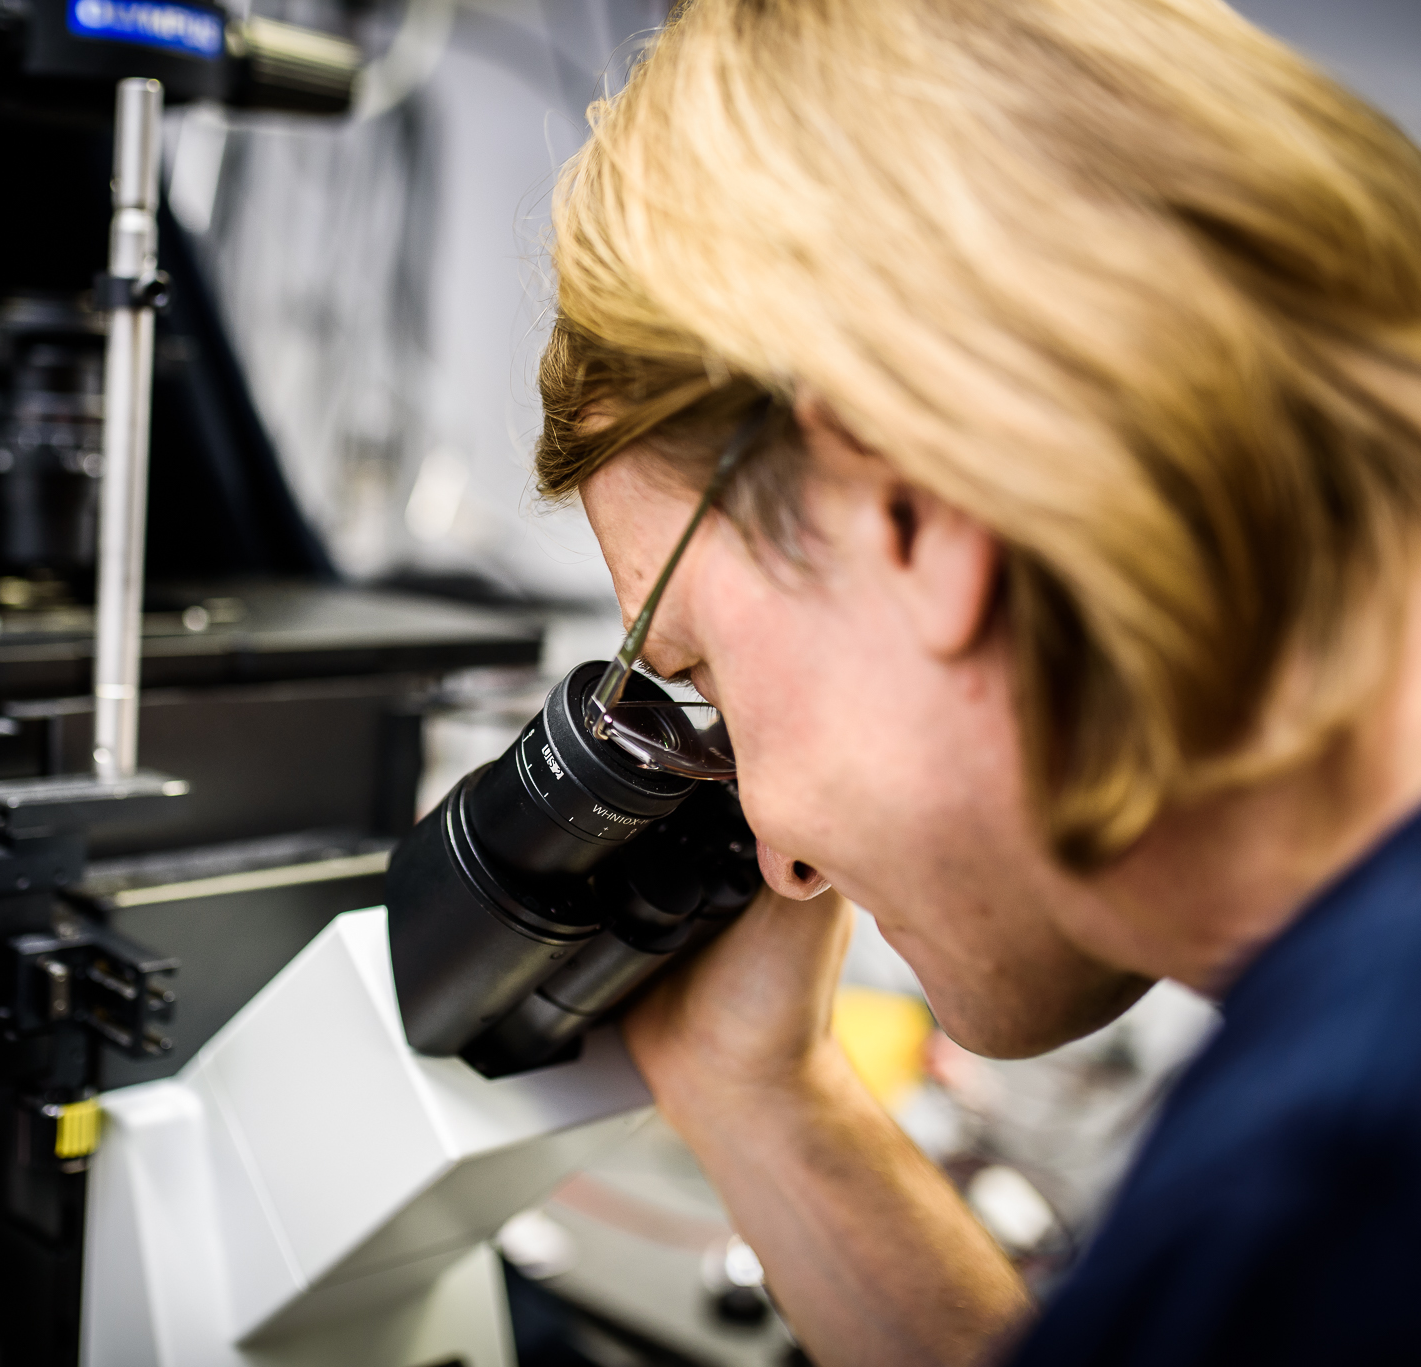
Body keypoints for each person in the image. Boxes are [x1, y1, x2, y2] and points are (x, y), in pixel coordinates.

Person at [534, 1, 1421, 1363]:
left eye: (696, 666)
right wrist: (766, 1098)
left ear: (916, 515)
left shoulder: (1332, 1180)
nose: (774, 854)